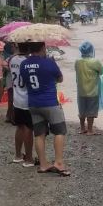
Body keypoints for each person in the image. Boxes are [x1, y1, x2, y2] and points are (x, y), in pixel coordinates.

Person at [20, 42, 70, 176]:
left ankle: (43, 164)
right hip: (50, 103)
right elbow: (60, 79)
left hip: (33, 104)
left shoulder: (23, 64)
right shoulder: (49, 62)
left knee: (39, 134)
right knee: (59, 131)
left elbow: (24, 83)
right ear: (42, 48)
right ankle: (59, 163)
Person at [9, 42, 34, 167]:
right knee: (28, 128)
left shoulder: (12, 59)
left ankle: (18, 155)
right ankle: (29, 158)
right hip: (27, 99)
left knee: (19, 127)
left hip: (16, 98)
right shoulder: (28, 61)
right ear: (29, 48)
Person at [75, 41, 103, 135]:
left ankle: (82, 128)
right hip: (92, 90)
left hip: (81, 90)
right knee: (91, 110)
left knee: (81, 109)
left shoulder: (77, 62)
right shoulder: (95, 61)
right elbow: (101, 72)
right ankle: (90, 130)